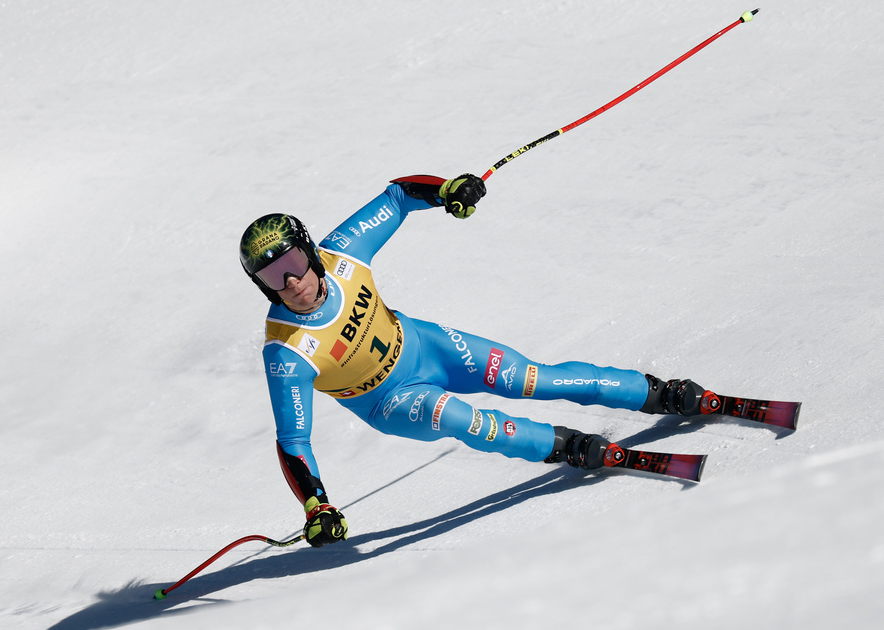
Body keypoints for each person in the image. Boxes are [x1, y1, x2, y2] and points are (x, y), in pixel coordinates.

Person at [239, 173, 710, 548]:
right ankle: (563, 445)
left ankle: (656, 393)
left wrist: (447, 191)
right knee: (462, 418)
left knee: (534, 379)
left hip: (426, 346)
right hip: (391, 400)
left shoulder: (343, 253)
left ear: (311, 252)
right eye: (274, 277)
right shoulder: (286, 351)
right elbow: (293, 438)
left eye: (295, 263)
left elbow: (400, 195)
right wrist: (317, 507)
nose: (292, 282)